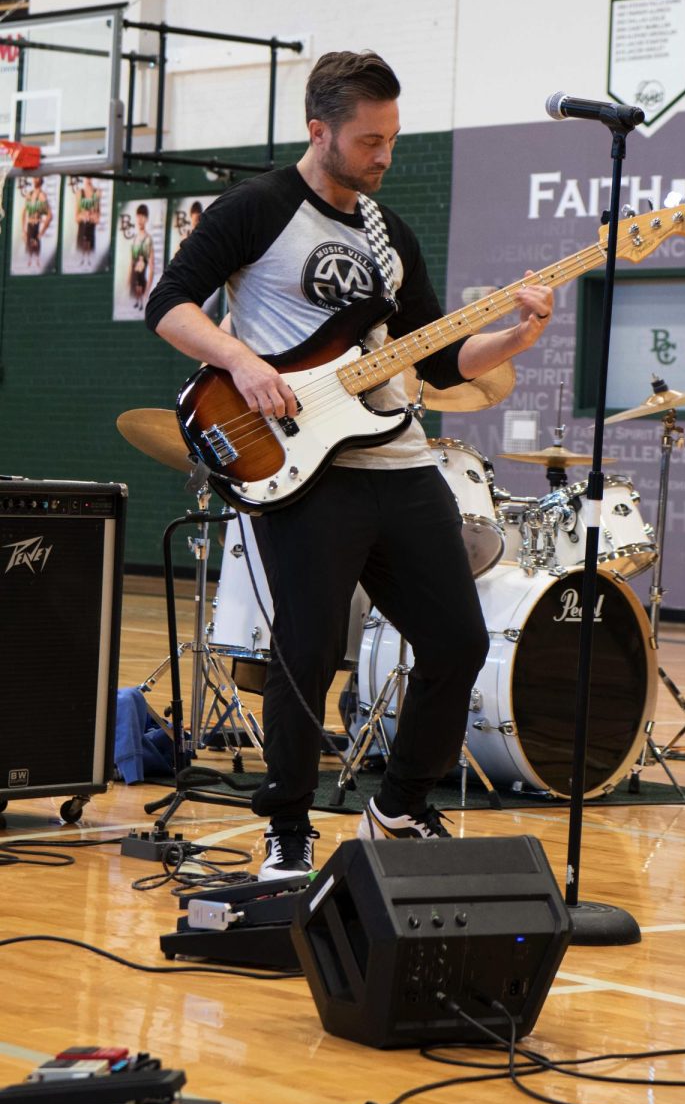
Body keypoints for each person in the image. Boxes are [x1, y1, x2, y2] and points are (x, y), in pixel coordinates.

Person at [145, 50, 553, 881]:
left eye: (392, 139)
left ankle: (397, 807)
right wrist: (244, 364)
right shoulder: (256, 208)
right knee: (307, 651)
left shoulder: (387, 232)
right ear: (318, 130)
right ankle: (287, 827)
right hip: (307, 467)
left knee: (456, 641)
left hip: (401, 464)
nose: (383, 156)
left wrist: (514, 336)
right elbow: (168, 304)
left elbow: (437, 362)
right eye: (368, 140)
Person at [21, 175, 52, 270]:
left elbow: (49, 215)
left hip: (36, 226)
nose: (35, 179)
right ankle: (29, 264)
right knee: (28, 248)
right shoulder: (29, 195)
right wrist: (23, 229)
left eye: (37, 178)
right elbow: (23, 212)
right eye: (34, 177)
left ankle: (37, 264)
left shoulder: (42, 195)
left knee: (36, 248)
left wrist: (42, 231)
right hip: (29, 225)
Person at [128, 203, 154, 311]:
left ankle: (141, 303)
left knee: (140, 289)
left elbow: (152, 266)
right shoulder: (134, 239)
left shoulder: (148, 239)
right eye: (138, 216)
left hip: (142, 275)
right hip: (134, 276)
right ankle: (137, 302)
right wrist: (128, 281)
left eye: (143, 217)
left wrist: (148, 289)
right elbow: (130, 263)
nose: (140, 220)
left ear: (146, 219)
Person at [75, 177, 101, 267]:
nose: (88, 180)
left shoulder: (97, 193)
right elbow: (76, 217)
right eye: (86, 177)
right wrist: (83, 216)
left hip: (91, 230)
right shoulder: (79, 193)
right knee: (79, 258)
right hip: (81, 230)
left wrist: (91, 217)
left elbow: (98, 218)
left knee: (91, 262)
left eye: (90, 177)